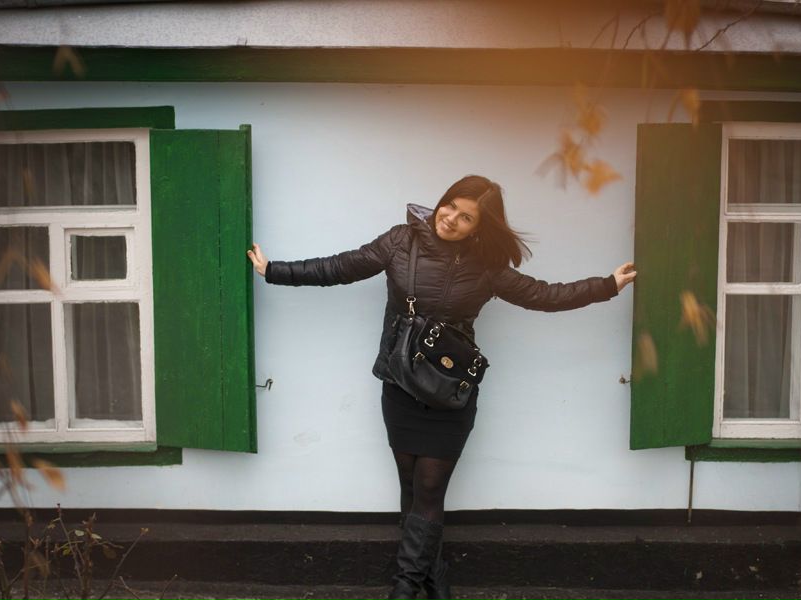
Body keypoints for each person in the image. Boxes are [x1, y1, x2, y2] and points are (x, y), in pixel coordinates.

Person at [247, 174, 636, 600]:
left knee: (430, 487)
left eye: (466, 217)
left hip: (451, 391)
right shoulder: (399, 241)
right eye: (450, 205)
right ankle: (437, 582)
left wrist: (607, 285)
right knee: (411, 487)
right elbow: (341, 267)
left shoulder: (486, 267)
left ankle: (404, 588)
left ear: (478, 228)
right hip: (400, 382)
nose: (450, 218)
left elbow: (543, 295)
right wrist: (274, 270)